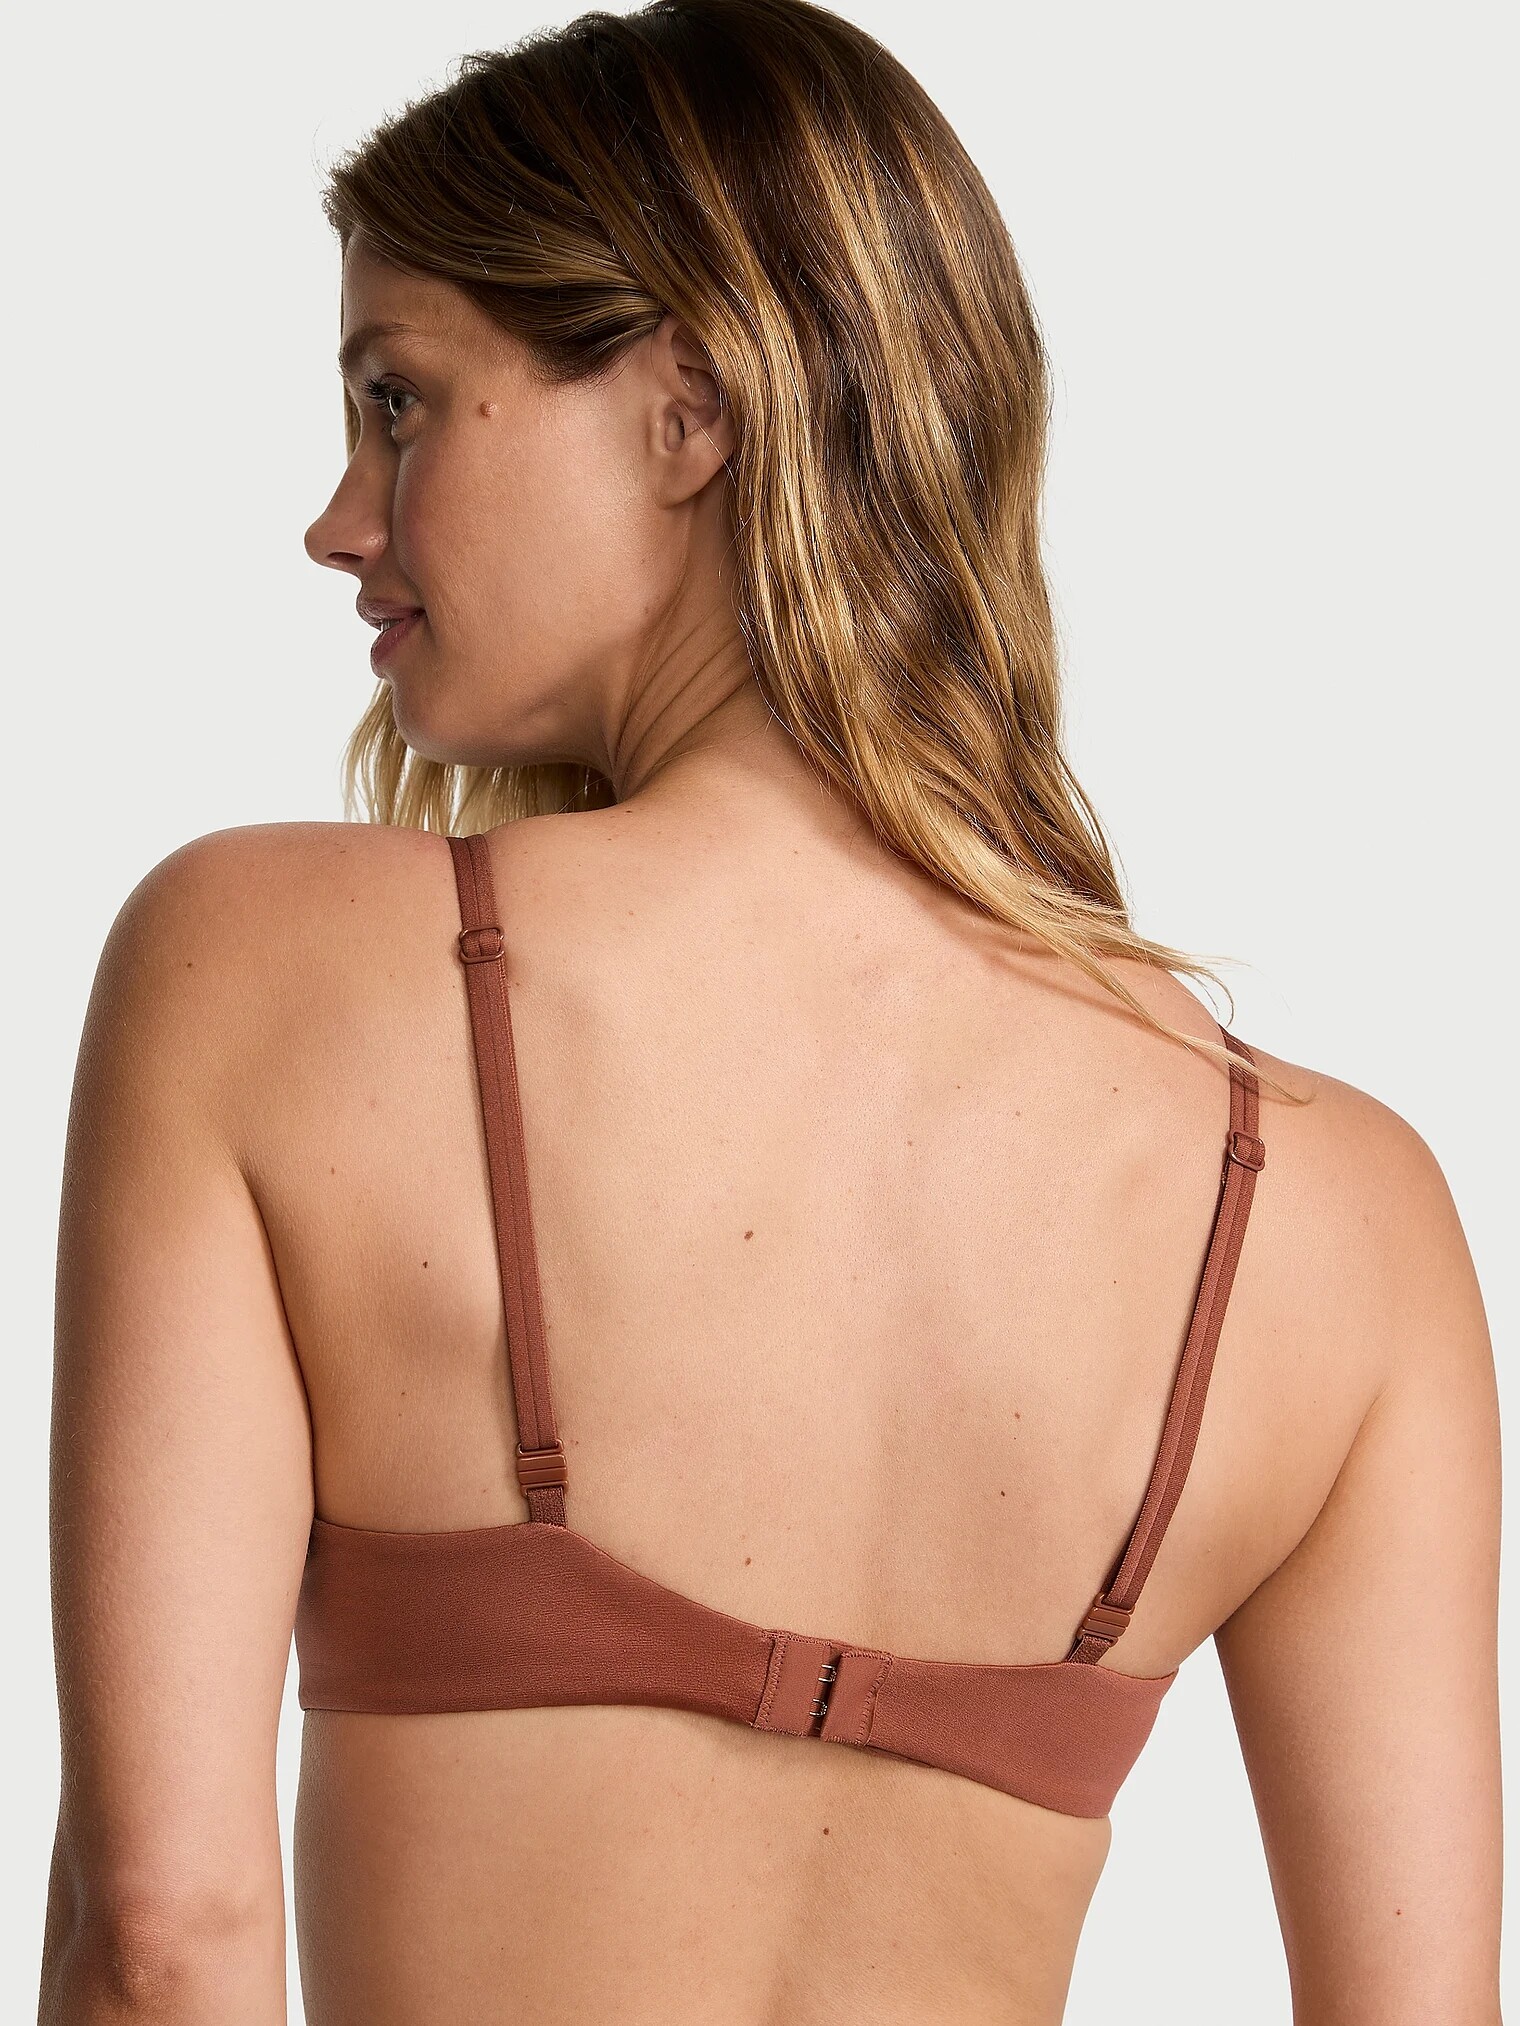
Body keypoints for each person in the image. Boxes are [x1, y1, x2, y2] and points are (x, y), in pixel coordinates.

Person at [39, 1, 1501, 2020]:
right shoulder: (1346, 1218)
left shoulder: (264, 971)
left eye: (399, 400)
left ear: (690, 411)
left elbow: (162, 1938)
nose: (341, 517)